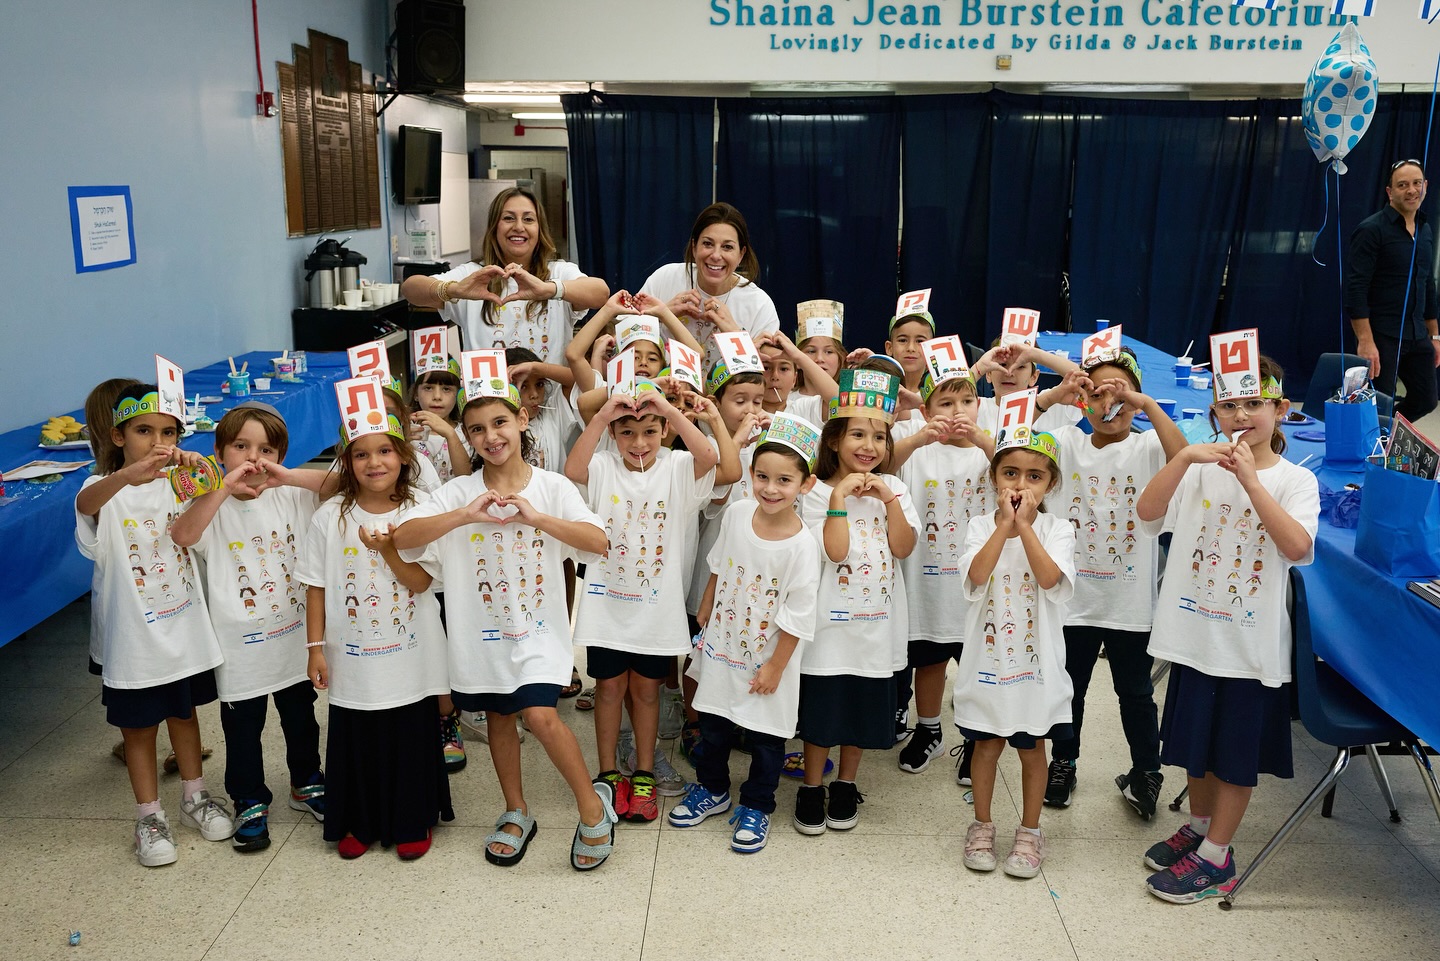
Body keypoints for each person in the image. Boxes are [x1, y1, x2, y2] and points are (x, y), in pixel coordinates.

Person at [393, 379, 620, 870]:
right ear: (467, 437)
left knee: (539, 716)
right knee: (499, 718)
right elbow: (405, 537)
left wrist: (538, 519)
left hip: (539, 633)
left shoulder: (553, 487)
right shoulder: (457, 492)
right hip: (480, 636)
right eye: (476, 429)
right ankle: (516, 810)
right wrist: (462, 516)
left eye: (499, 422)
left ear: (521, 421)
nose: (490, 437)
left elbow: (598, 541)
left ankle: (591, 807)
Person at [1135, 356, 1319, 904]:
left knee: (1234, 756)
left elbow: (1298, 548)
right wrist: (1188, 455)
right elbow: (1146, 515)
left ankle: (1217, 854)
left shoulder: (1296, 479)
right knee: (1194, 746)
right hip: (1193, 638)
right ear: (1213, 411)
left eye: (1254, 402)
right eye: (1229, 404)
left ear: (1279, 409)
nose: (1241, 414)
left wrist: (1250, 481)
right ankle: (1197, 826)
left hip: (1247, 649)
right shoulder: (1196, 469)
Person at [76, 384, 234, 867]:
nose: (157, 441)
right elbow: (88, 506)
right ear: (118, 436)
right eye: (144, 431)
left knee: (186, 716)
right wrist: (127, 475)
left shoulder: (176, 484)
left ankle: (194, 798)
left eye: (168, 432)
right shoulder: (101, 488)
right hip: (134, 640)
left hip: (183, 628)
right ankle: (149, 816)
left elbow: (205, 518)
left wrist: (203, 474)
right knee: (139, 728)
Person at [170, 402, 338, 853]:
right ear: (219, 452)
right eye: (240, 446)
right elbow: (184, 536)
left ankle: (306, 782)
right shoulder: (209, 504)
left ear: (281, 456)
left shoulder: (294, 493)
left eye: (265, 449)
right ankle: (248, 797)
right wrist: (221, 488)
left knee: (301, 716)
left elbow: (342, 482)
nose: (252, 458)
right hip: (238, 643)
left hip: (296, 636)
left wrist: (286, 476)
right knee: (242, 726)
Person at [565, 388, 734, 824]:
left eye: (649, 432)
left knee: (647, 691)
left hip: (657, 612)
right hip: (607, 608)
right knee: (608, 689)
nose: (638, 442)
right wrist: (603, 415)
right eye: (627, 433)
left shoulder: (678, 467)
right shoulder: (602, 466)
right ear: (614, 435)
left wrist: (671, 411)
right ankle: (607, 774)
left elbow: (710, 458)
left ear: (664, 431)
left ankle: (643, 770)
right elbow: (573, 468)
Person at [297, 411, 452, 860]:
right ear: (346, 462)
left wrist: (388, 549)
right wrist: (314, 650)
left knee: (408, 731)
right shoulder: (330, 515)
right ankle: (358, 821)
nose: (374, 462)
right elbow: (315, 586)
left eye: (384, 450)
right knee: (357, 731)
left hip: (410, 651)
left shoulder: (422, 509)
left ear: (404, 456)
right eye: (360, 454)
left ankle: (412, 817)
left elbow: (421, 583)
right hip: (351, 652)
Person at [1041, 347, 1186, 818]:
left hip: (1128, 604)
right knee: (1071, 687)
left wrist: (1146, 404)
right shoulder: (1065, 442)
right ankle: (1063, 762)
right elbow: (1012, 437)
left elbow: (1183, 456)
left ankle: (1147, 771)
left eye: (1120, 395)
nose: (1110, 405)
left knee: (1137, 692)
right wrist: (1058, 393)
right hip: (1075, 599)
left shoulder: (1145, 447)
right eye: (1098, 393)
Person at [672, 419, 822, 854]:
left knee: (765, 738)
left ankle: (758, 804)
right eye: (762, 476)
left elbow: (798, 615)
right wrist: (703, 610)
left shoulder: (802, 546)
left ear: (805, 484)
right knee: (714, 725)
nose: (770, 489)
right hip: (722, 646)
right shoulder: (737, 513)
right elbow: (719, 565)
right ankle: (713, 789)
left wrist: (776, 666)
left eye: (784, 480)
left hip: (768, 659)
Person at [794, 369, 920, 836]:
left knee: (862, 711)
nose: (869, 446)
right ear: (833, 441)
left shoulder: (898, 492)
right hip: (828, 628)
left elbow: (903, 548)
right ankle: (811, 786)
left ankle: (846, 783)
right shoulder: (813, 492)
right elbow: (836, 551)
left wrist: (887, 498)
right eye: (858, 434)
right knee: (823, 712)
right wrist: (840, 499)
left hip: (875, 628)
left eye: (879, 437)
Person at [956, 429, 1075, 880]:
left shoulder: (1058, 529)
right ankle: (982, 825)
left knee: (1032, 750)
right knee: (985, 746)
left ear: (1050, 484)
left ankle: (1029, 831)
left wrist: (1023, 527)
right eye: (1010, 473)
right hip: (988, 664)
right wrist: (1005, 526)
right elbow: (977, 574)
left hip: (1035, 667)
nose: (1021, 485)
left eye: (1034, 476)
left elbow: (1049, 580)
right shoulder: (979, 527)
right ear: (993, 478)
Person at [889, 368, 994, 776]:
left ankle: (975, 738)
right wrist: (919, 435)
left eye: (966, 402)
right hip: (927, 584)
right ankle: (928, 730)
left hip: (976, 584)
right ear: (927, 409)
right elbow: (885, 461)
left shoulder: (989, 450)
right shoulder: (920, 450)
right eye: (945, 404)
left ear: (980, 406)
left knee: (976, 663)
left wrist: (983, 439)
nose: (957, 412)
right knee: (928, 661)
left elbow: (1013, 462)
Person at [400, 185, 609, 362]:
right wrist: (454, 289)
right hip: (488, 405)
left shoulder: (558, 271)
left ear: (540, 229)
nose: (519, 227)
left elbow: (600, 292)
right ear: (494, 227)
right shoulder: (473, 274)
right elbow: (411, 289)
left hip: (550, 405)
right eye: (508, 218)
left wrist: (548, 289)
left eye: (528, 219)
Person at [1345, 158, 1440, 423]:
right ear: (1390, 192)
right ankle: (1375, 445)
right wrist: (1365, 340)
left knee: (1426, 399)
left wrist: (1435, 337)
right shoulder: (1371, 230)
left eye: (1416, 183)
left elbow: (1427, 284)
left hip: (1417, 333)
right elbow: (1356, 288)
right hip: (1381, 335)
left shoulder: (1425, 229)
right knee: (1378, 401)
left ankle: (1388, 434)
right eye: (1402, 185)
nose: (1411, 190)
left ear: (1425, 186)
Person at [640, 202, 780, 370]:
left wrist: (735, 334)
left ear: (741, 254)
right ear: (694, 247)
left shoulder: (759, 304)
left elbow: (766, 378)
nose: (715, 255)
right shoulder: (665, 278)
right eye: (707, 244)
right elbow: (621, 344)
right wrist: (662, 314)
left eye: (727, 247)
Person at [409, 363, 473, 483]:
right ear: (416, 394)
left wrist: (451, 435)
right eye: (428, 388)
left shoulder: (466, 433)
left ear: (458, 395)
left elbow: (466, 479)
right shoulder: (407, 431)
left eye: (446, 389)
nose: (437, 396)